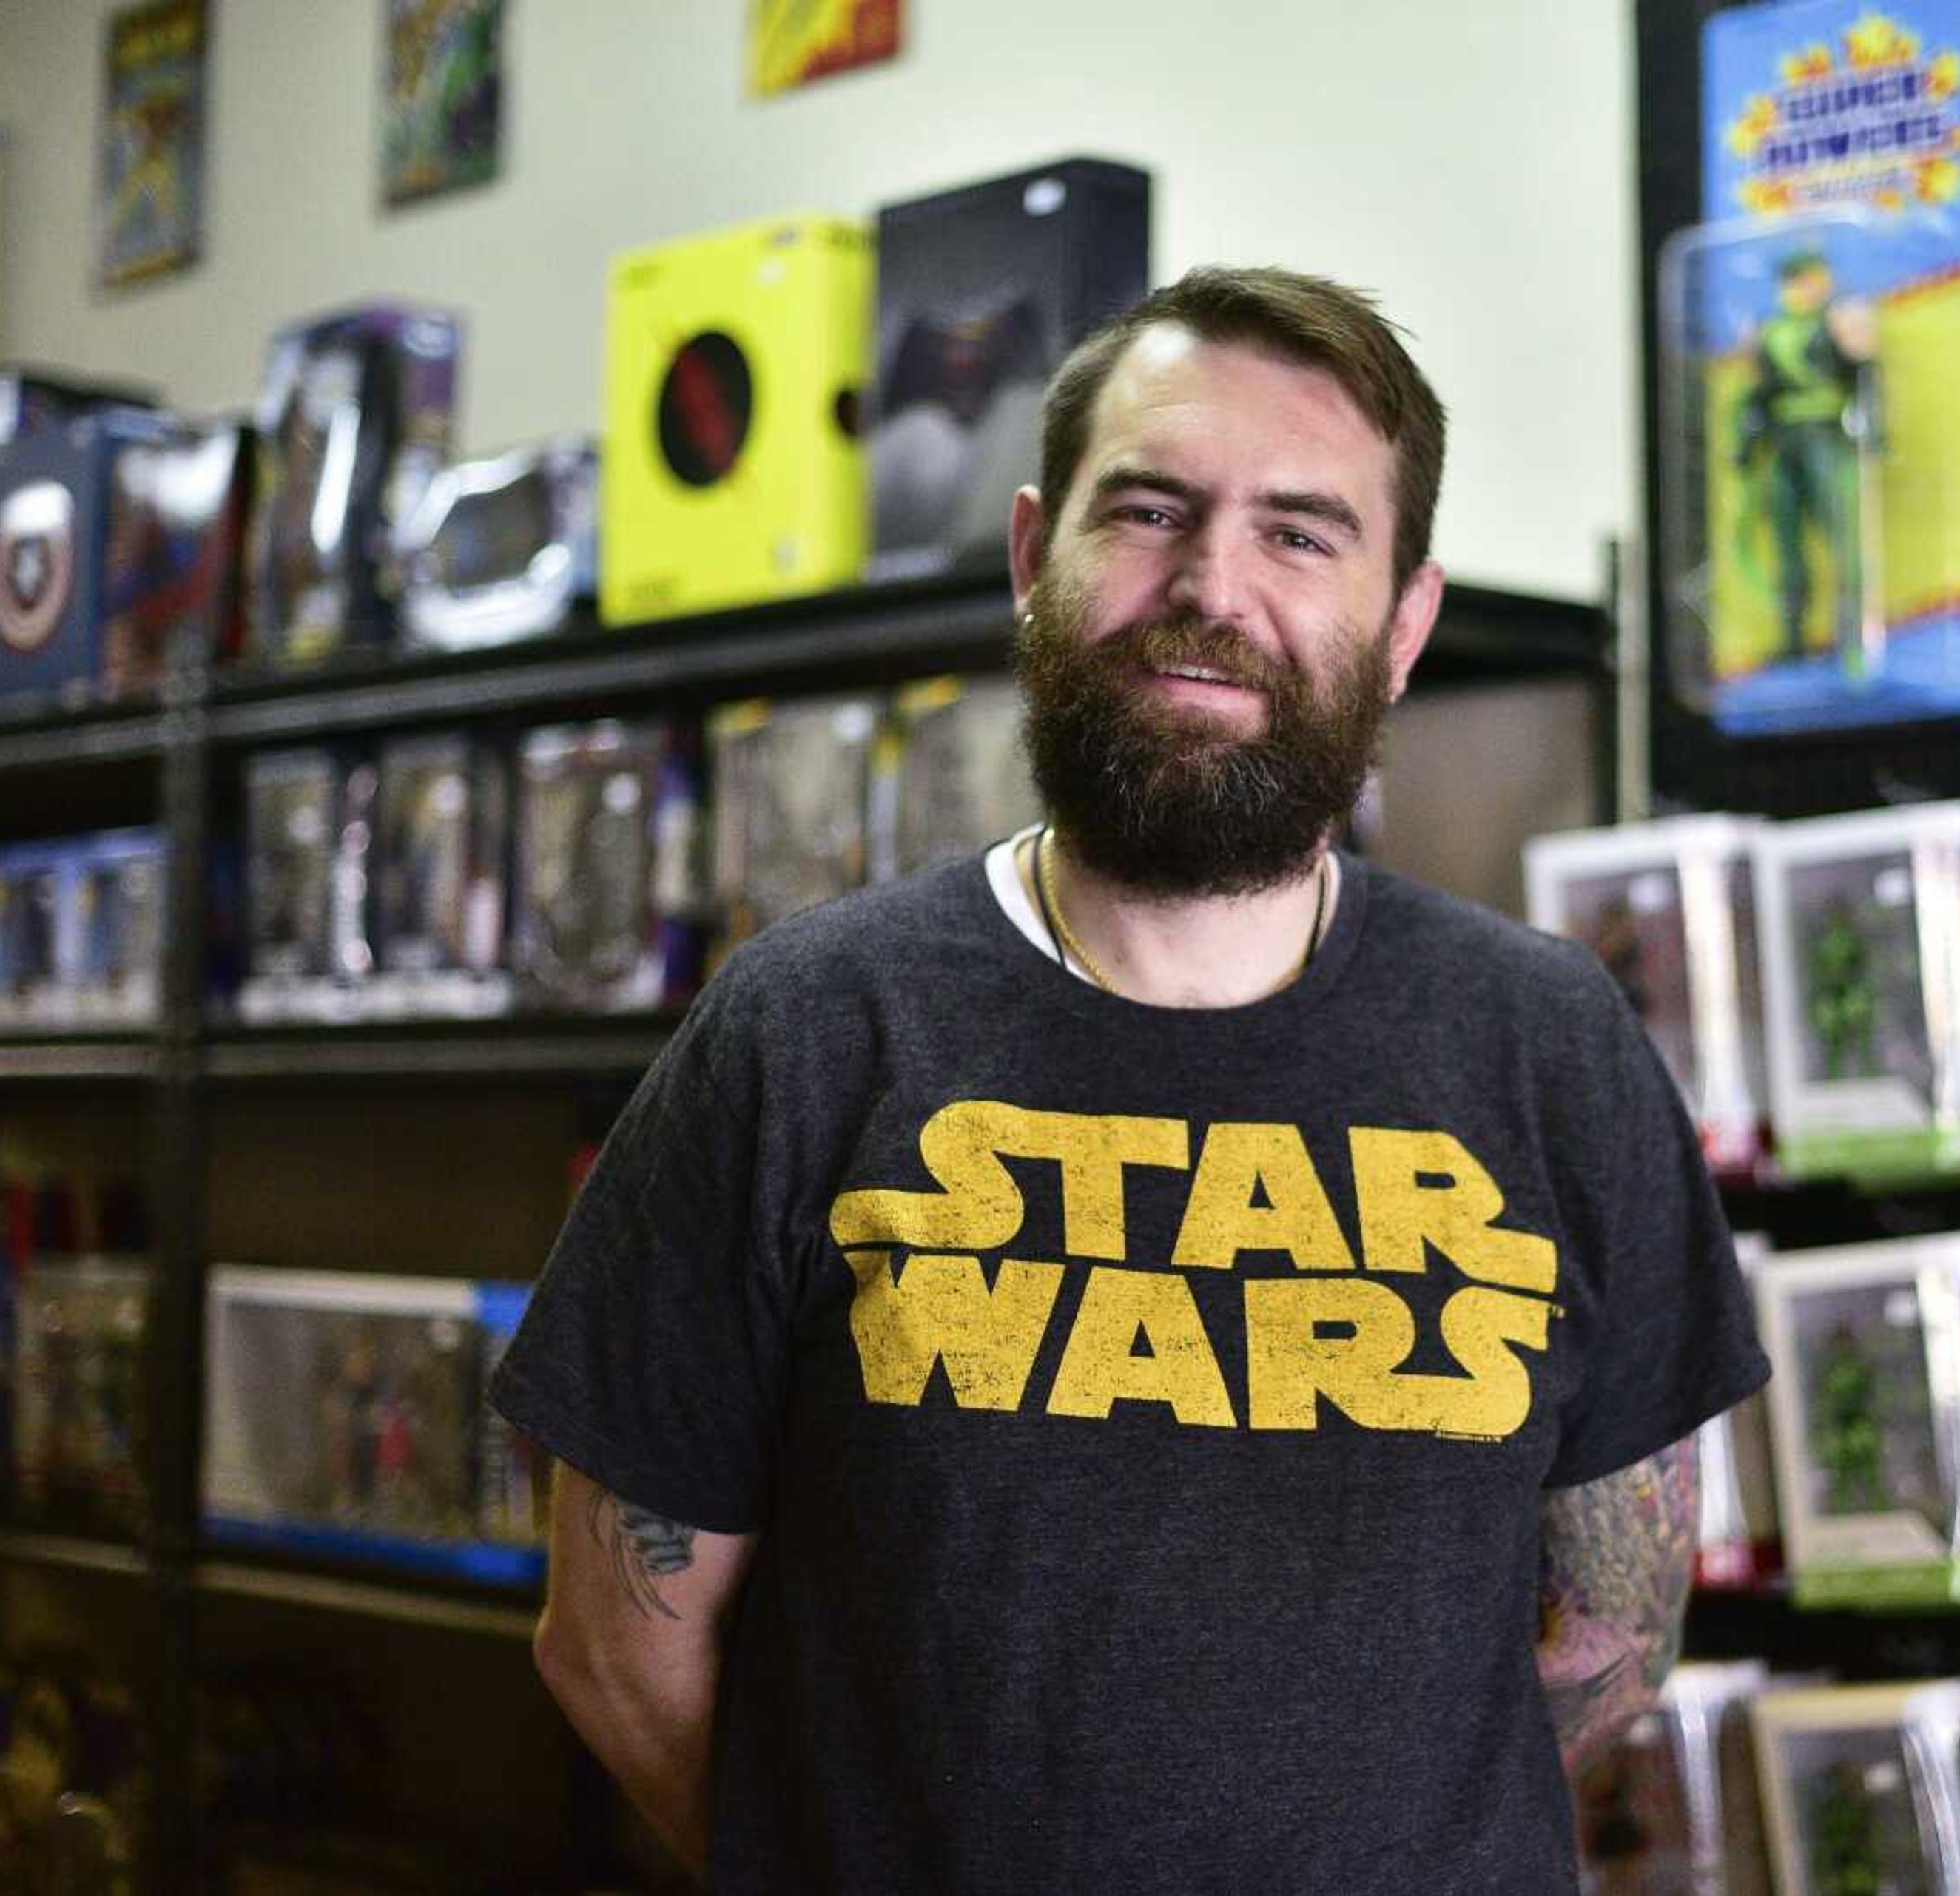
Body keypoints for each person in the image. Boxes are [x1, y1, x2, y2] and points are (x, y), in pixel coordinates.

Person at [492, 266, 1768, 1892]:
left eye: (1302, 533)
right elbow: (619, 1647)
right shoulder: (804, 1036)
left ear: (1404, 626)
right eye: (1151, 511)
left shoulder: (1550, 1047)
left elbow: (1613, 1630)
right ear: (1038, 557)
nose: (1212, 587)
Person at [1736, 249, 1876, 668]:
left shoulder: (1835, 324)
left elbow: (1865, 377)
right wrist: (1746, 443)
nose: (1800, 288)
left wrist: (1873, 431)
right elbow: (1758, 395)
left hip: (1825, 436)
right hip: (1785, 440)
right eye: (1793, 280)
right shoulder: (1770, 331)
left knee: (1843, 536)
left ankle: (1853, 632)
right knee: (1787, 539)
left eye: (1808, 279)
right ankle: (1794, 636)